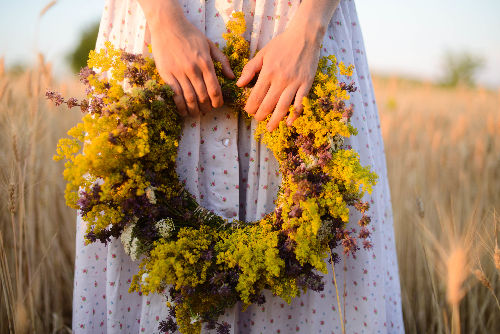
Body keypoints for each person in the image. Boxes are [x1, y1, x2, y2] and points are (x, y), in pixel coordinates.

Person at [72, 0, 405, 333]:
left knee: (319, 243)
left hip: (294, 30)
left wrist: (308, 29)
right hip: (160, 28)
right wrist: (164, 20)